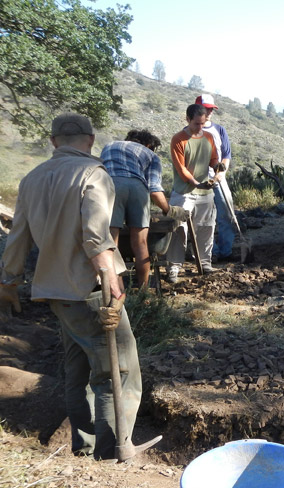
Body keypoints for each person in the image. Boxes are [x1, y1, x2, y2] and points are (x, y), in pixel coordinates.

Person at [0, 113, 146, 460]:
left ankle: (87, 446)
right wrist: (111, 283)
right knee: (117, 371)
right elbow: (96, 238)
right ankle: (114, 450)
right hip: (91, 291)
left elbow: (17, 237)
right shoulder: (93, 175)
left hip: (56, 294)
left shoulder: (32, 179)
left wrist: (9, 280)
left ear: (53, 142)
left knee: (77, 368)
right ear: (91, 139)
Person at [100, 129, 190, 288]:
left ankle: (116, 291)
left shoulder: (110, 146)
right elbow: (154, 190)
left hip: (111, 187)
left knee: (111, 244)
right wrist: (169, 210)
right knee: (141, 244)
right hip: (137, 189)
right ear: (148, 144)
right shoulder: (151, 155)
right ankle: (144, 292)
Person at [167, 103, 219, 283]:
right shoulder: (178, 139)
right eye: (196, 123)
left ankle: (204, 262)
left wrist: (218, 168)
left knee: (206, 227)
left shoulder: (209, 138)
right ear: (187, 119)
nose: (200, 127)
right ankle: (174, 266)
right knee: (178, 228)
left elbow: (213, 160)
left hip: (205, 193)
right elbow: (181, 169)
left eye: (203, 124)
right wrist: (197, 183)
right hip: (184, 192)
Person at [195, 94, 235, 262]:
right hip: (198, 181)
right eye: (206, 109)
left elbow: (226, 155)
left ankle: (226, 251)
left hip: (219, 177)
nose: (209, 112)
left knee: (227, 213)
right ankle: (211, 252)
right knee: (203, 218)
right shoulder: (191, 131)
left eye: (211, 109)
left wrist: (220, 174)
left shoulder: (219, 130)